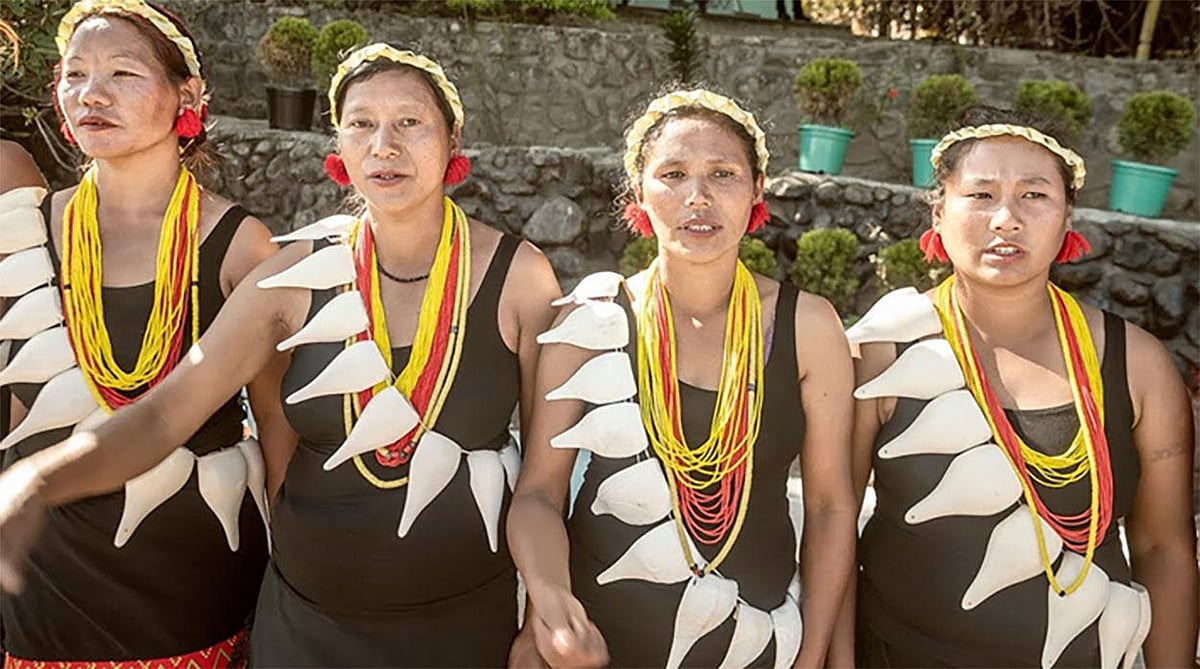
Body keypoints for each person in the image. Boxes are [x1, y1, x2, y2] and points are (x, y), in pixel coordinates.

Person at [0, 41, 561, 668]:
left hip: (464, 625)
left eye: (410, 122)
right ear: (338, 148)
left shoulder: (521, 276)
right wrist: (36, 480)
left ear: (451, 138)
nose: (385, 146)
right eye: (361, 124)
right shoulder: (295, 274)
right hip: (305, 626)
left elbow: (545, 486)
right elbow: (165, 414)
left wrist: (546, 613)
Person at [508, 88, 858, 668]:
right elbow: (540, 494)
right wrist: (550, 602)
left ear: (756, 192)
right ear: (640, 194)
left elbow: (829, 508)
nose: (698, 198)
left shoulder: (808, 325)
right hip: (602, 649)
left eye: (722, 174)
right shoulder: (593, 318)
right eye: (673, 174)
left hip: (761, 650)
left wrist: (811, 657)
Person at [838, 106, 1198, 668]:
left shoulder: (1137, 366)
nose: (1006, 218)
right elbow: (832, 519)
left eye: (1034, 195)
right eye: (980, 195)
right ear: (938, 212)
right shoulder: (883, 352)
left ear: (1067, 217)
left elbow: (1163, 547)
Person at [0, 0, 291, 665]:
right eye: (74, 75)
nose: (91, 94)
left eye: (123, 74)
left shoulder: (241, 246)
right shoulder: (25, 230)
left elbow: (278, 434)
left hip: (186, 579)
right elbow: (19, 406)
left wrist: (291, 589)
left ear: (186, 94)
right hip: (40, 573)